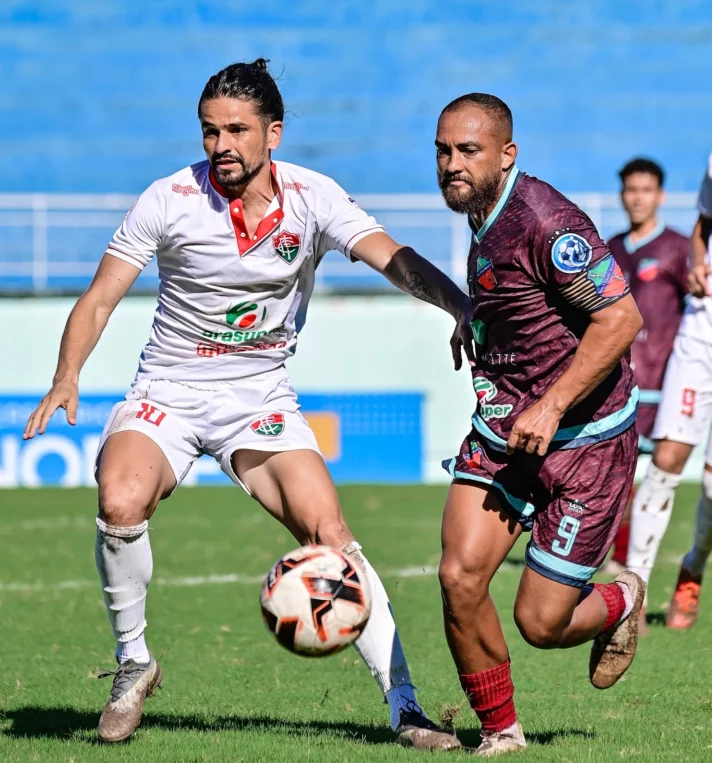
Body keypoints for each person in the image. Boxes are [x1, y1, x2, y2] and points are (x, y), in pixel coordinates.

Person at [23, 59, 472, 750]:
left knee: (330, 534)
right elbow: (101, 296)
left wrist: (459, 305)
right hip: (169, 391)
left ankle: (405, 709)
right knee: (120, 499)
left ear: (273, 133)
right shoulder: (169, 198)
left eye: (236, 130)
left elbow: (393, 257)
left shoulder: (314, 197)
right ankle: (135, 661)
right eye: (210, 131)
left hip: (258, 396)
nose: (221, 144)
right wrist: (66, 374)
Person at [434, 93, 645, 756]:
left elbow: (621, 319)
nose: (452, 163)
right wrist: (476, 319)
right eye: (443, 150)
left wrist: (552, 405)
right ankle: (501, 733)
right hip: (504, 435)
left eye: (468, 150)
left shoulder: (548, 222)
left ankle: (621, 600)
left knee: (541, 623)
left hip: (587, 444)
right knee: (459, 578)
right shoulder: (481, 212)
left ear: (507, 154)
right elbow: (524, 298)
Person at [626, 61, 712, 631]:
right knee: (665, 462)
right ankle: (633, 594)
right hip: (706, 329)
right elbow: (704, 225)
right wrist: (699, 263)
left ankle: (694, 567)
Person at [604, 159, 689, 579]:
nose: (638, 198)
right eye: (631, 190)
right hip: (617, 382)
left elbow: (699, 310)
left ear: (660, 195)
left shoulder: (678, 248)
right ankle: (619, 561)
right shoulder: (610, 249)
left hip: (664, 382)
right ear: (622, 195)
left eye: (646, 190)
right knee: (616, 478)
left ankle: (634, 565)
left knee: (655, 479)